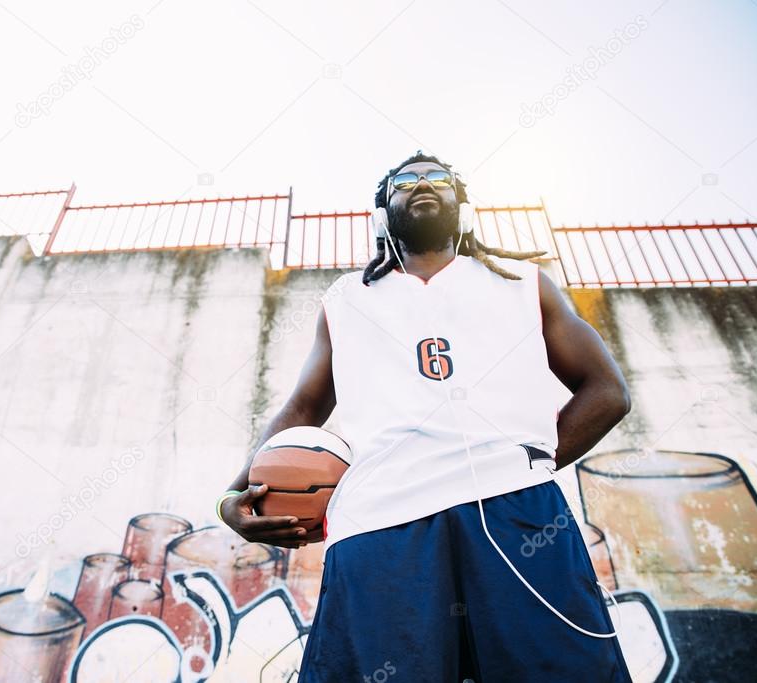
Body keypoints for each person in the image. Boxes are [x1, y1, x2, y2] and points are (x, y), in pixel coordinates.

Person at [217, 151, 633, 681]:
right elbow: (302, 408)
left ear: (461, 203)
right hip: (380, 523)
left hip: (515, 512)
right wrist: (234, 494)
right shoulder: (346, 299)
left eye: (437, 178)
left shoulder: (523, 282)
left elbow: (608, 391)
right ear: (381, 211)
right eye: (404, 181)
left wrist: (526, 465)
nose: (421, 185)